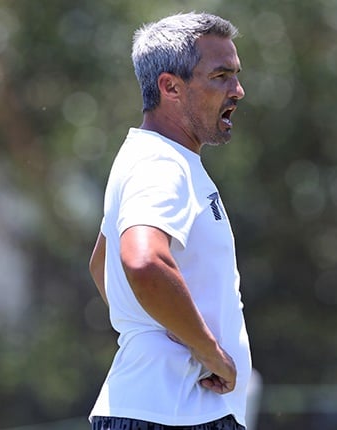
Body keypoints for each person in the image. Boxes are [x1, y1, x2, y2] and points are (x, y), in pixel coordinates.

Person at [87, 12, 251, 430]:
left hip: (168, 411)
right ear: (170, 86)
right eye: (220, 75)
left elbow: (100, 265)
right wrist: (209, 352)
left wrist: (157, 324)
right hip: (173, 415)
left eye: (235, 75)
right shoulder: (161, 164)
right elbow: (142, 262)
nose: (238, 90)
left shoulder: (156, 158)